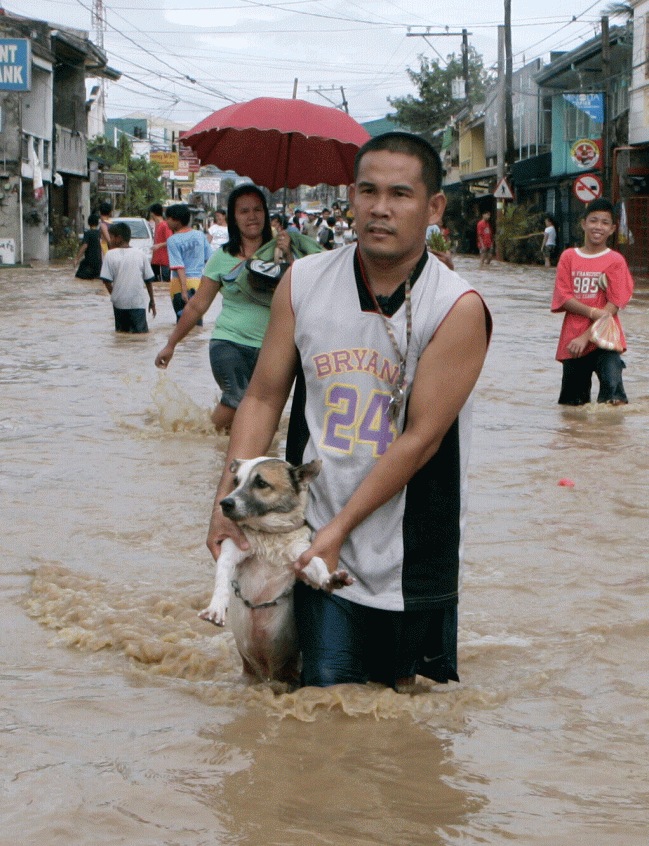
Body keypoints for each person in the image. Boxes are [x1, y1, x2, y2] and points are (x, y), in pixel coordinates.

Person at [207, 131, 491, 690]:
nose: (380, 208)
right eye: (367, 191)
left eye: (401, 194)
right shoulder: (304, 282)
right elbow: (264, 396)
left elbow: (421, 440)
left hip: (407, 549)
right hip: (306, 536)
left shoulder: (456, 307)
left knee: (392, 712)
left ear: (434, 207)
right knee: (308, 698)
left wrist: (339, 529)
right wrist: (227, 501)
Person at [154, 185, 289, 432]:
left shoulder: (283, 253)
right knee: (237, 398)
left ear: (266, 214)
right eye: (244, 211)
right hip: (228, 343)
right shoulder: (221, 258)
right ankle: (198, 441)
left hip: (271, 348)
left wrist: (287, 256)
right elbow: (197, 306)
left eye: (258, 209)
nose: (252, 216)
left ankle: (223, 458)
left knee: (261, 415)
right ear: (233, 217)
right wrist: (171, 343)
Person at [553, 198, 634, 406]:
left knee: (614, 400)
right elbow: (564, 297)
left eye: (605, 223)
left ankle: (611, 439)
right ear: (583, 223)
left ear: (613, 229)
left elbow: (613, 306)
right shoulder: (568, 257)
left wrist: (585, 337)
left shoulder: (616, 260)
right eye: (594, 221)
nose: (599, 227)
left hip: (605, 339)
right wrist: (591, 312)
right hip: (573, 342)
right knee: (572, 406)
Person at [98, 222, 155, 334]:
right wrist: (152, 301)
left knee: (121, 336)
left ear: (118, 238)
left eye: (112, 237)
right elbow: (148, 281)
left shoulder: (109, 255)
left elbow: (106, 281)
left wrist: (115, 294)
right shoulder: (141, 254)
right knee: (140, 336)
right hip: (137, 303)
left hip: (119, 304)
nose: (111, 240)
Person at [165, 204, 211, 318]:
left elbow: (179, 266)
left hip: (180, 284)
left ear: (176, 220)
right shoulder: (200, 235)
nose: (166, 222)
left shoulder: (172, 240)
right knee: (197, 323)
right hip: (199, 283)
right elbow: (209, 258)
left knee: (182, 324)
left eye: (168, 218)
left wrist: (184, 290)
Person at [147, 202, 172, 291]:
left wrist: (158, 246)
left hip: (164, 262)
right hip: (156, 261)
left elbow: (170, 241)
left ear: (152, 213)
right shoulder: (158, 226)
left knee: (164, 285)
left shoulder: (164, 225)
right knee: (155, 286)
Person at [74, 212, 103, 280]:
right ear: (97, 223)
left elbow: (84, 246)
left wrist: (76, 259)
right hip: (99, 263)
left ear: (88, 223)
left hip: (89, 262)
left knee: (78, 278)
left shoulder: (88, 233)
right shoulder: (99, 233)